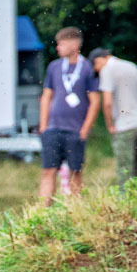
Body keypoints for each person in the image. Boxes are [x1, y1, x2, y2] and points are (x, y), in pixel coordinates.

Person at [37, 26, 99, 205]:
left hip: (75, 130)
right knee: (48, 171)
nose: (58, 47)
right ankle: (42, 210)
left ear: (74, 44)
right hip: (53, 128)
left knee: (75, 172)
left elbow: (95, 100)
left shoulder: (87, 68)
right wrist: (43, 126)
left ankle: (75, 209)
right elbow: (47, 96)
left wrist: (85, 129)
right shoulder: (54, 67)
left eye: (62, 44)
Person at [90, 46, 137, 189]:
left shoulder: (107, 70)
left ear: (98, 61)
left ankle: (125, 200)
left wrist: (110, 125)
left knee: (125, 170)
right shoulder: (131, 66)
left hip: (123, 125)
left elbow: (107, 103)